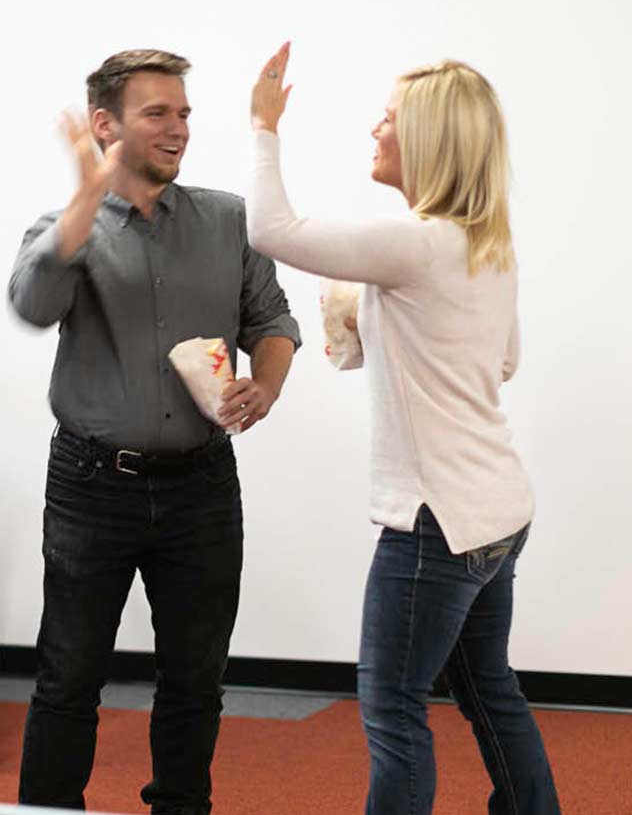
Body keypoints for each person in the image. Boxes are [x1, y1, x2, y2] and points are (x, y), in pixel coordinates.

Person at [247, 44, 560, 815]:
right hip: (499, 513)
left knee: (393, 710)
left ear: (427, 141)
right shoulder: (485, 245)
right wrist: (380, 324)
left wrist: (262, 124)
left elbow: (271, 229)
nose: (376, 130)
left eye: (388, 120)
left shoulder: (414, 245)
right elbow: (503, 362)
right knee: (491, 690)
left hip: (435, 526)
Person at [8, 49, 301, 814]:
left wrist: (265, 383)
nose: (179, 130)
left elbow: (272, 318)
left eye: (185, 114)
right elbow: (35, 303)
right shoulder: (63, 227)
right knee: (69, 677)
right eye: (158, 114)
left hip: (201, 486)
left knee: (196, 678)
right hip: (90, 486)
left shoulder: (228, 218)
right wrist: (87, 193)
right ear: (107, 125)